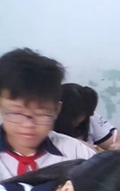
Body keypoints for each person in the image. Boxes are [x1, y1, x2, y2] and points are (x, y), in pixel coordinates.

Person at [0, 48, 95, 180]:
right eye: (16, 113)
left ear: (57, 109)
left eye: (41, 114)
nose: (28, 125)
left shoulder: (77, 153)